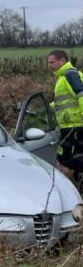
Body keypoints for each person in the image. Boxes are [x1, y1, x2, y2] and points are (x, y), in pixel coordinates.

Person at [48, 49, 83, 179]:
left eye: (52, 62)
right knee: (78, 156)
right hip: (71, 124)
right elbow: (63, 102)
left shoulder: (70, 75)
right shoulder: (63, 77)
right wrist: (46, 109)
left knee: (65, 158)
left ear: (62, 60)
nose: (49, 65)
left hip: (74, 125)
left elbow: (81, 94)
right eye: (49, 63)